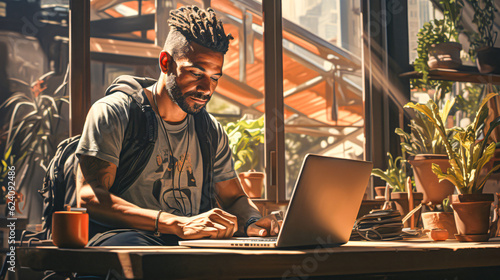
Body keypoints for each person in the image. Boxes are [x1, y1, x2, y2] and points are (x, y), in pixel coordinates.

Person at [75, 5, 281, 246]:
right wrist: (176, 223)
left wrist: (253, 222)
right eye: (196, 73)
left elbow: (234, 198)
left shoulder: (210, 130)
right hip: (124, 238)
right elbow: (89, 196)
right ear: (166, 62)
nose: (207, 88)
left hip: (191, 244)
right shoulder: (114, 111)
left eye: (215, 78)